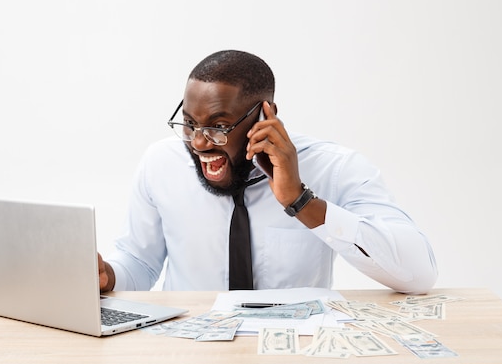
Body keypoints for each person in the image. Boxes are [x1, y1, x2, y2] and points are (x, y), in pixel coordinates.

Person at [98, 50, 437, 294]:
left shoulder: (335, 168)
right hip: (188, 351)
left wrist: (302, 202)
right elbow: (139, 261)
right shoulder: (161, 163)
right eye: (189, 123)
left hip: (289, 355)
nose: (199, 143)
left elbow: (418, 274)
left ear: (264, 116)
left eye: (219, 126)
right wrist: (109, 276)